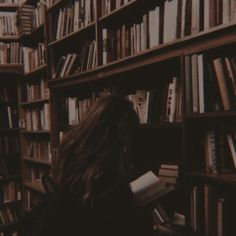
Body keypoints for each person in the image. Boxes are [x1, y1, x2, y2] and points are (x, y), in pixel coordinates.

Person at [38, 95, 154, 236]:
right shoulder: (108, 179)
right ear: (119, 137)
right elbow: (128, 227)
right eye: (127, 139)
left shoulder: (70, 150)